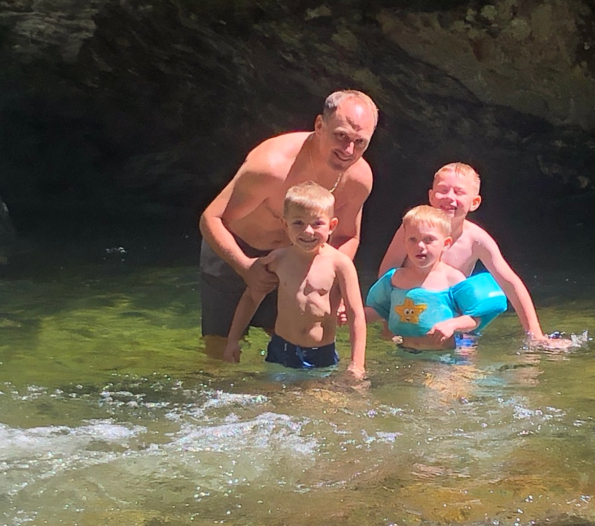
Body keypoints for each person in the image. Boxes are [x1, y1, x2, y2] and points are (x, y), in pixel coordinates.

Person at [199, 90, 378, 353]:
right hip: (236, 253)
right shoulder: (271, 167)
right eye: (340, 136)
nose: (348, 150)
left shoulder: (359, 178)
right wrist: (246, 267)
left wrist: (334, 279)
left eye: (360, 142)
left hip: (298, 260)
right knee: (221, 348)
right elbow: (211, 219)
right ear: (319, 125)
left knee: (294, 345)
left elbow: (347, 236)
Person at [377, 162, 573, 349]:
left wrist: (535, 334)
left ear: (474, 202)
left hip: (453, 323)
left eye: (459, 192)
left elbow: (510, 283)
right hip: (410, 317)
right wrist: (387, 319)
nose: (449, 197)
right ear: (431, 196)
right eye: (443, 190)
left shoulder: (476, 239)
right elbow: (387, 274)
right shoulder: (410, 230)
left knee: (463, 371)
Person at [223, 182, 366, 378]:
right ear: (285, 224)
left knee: (316, 401)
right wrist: (233, 339)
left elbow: (356, 314)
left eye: (317, 223)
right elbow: (251, 297)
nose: (308, 231)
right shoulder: (278, 259)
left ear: (332, 225)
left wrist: (357, 363)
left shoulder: (340, 265)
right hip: (281, 349)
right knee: (275, 400)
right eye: (298, 223)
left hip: (320, 353)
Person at [366, 205, 506, 351]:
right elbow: (379, 310)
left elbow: (474, 318)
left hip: (444, 355)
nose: (420, 246)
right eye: (412, 239)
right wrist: (352, 315)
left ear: (446, 244)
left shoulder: (452, 279)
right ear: (404, 243)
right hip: (405, 350)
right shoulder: (395, 278)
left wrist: (452, 325)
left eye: (428, 239)